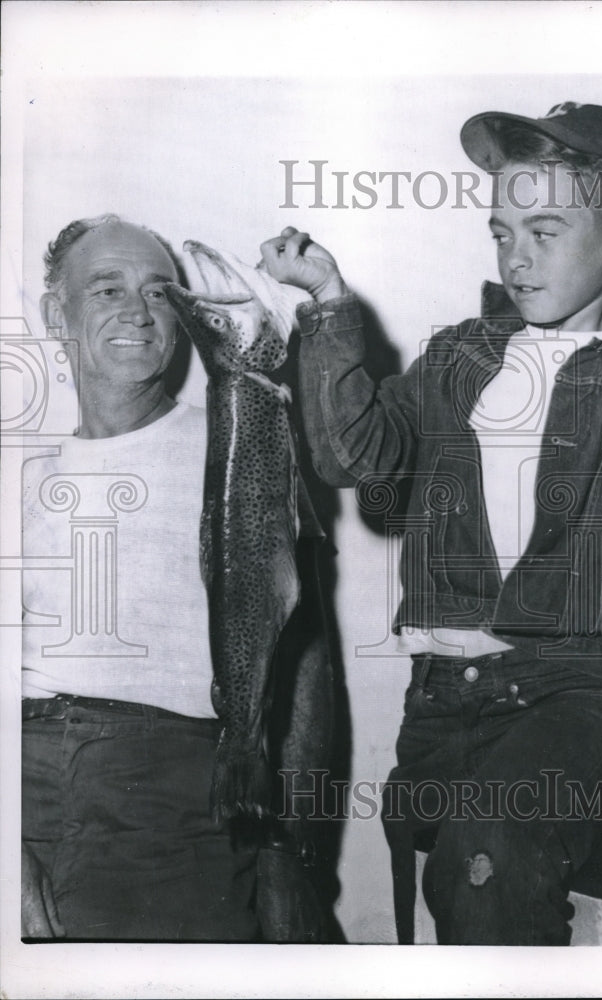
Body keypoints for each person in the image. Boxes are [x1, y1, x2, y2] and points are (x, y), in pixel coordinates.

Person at [261, 102, 602, 945]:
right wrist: (329, 301)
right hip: (442, 698)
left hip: (578, 695)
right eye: (502, 231)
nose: (517, 257)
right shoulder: (460, 355)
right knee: (453, 889)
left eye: (546, 230)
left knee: (487, 856)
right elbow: (351, 459)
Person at [20, 216, 263, 941]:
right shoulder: (22, 471)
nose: (137, 312)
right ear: (56, 315)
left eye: (160, 294)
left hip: (172, 790)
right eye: (106, 289)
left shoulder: (238, 442)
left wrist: (286, 847)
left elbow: (297, 651)